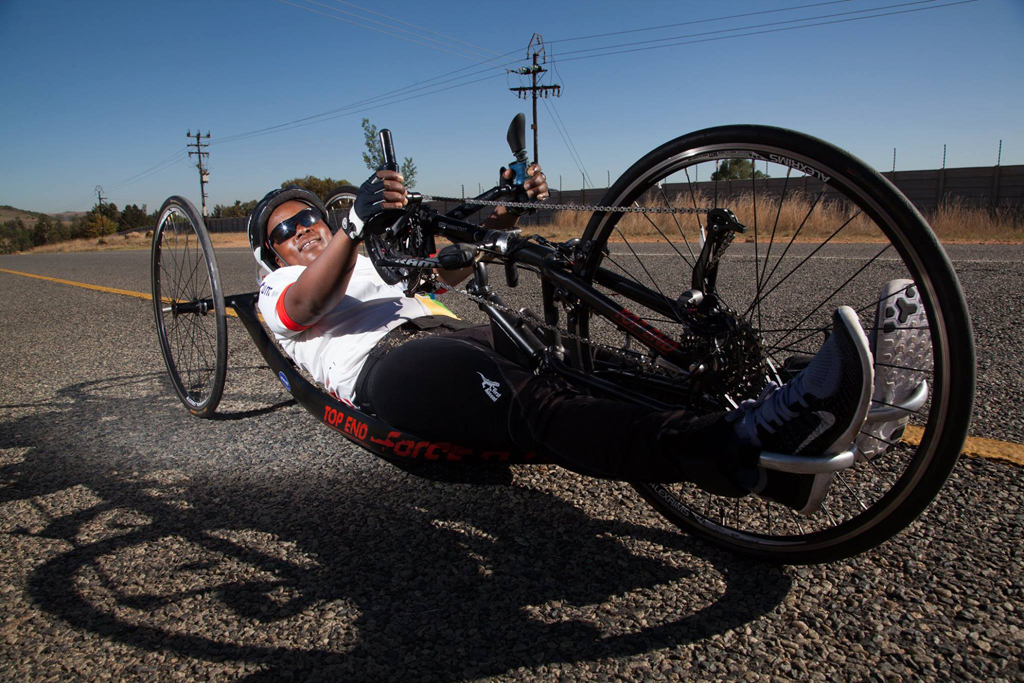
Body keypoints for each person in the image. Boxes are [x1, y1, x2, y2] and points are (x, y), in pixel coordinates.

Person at [250, 165, 877, 515]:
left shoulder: (365, 259)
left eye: (309, 217)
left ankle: (796, 409)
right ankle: (740, 444)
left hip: (457, 331)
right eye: (285, 230)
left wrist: (508, 208)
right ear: (270, 254)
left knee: (602, 367)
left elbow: (447, 272)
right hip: (388, 368)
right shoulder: (279, 287)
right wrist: (354, 226)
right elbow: (307, 307)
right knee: (545, 409)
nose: (303, 230)